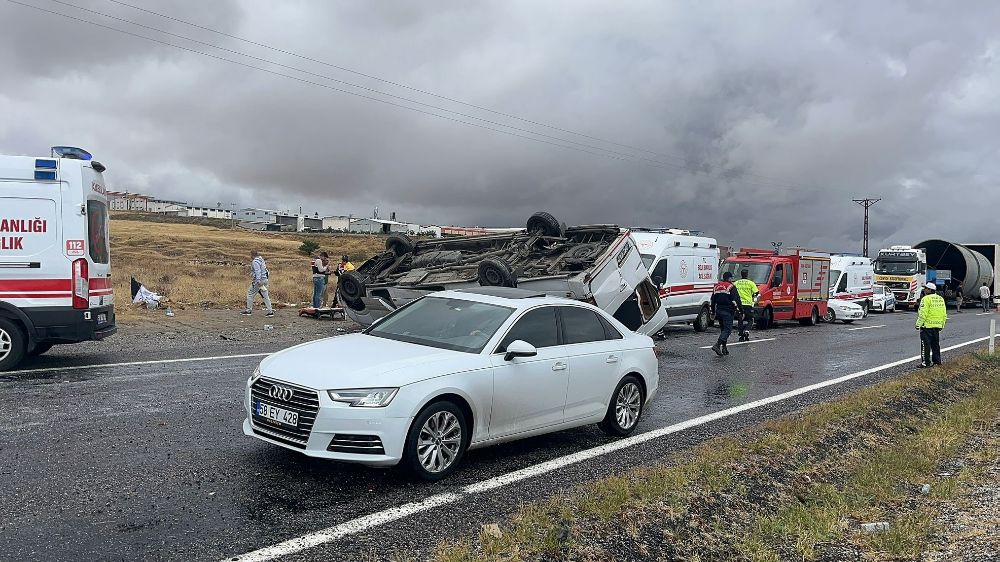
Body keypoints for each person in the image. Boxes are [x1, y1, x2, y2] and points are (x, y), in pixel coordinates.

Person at [710, 271, 743, 357]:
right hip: (728, 311)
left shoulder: (716, 287)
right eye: (731, 278)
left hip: (719, 311)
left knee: (723, 329)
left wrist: (712, 312)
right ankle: (717, 345)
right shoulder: (731, 287)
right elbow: (737, 300)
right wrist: (741, 312)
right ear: (729, 278)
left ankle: (724, 348)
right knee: (727, 330)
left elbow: (712, 301)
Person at [916, 282, 947, 367]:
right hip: (937, 326)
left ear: (930, 290)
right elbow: (944, 313)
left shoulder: (926, 299)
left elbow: (923, 314)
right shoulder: (940, 299)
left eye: (926, 288)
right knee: (935, 345)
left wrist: (918, 324)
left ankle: (926, 363)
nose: (924, 290)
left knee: (925, 345)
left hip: (927, 326)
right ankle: (937, 361)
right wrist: (942, 325)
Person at [243, 250, 274, 317]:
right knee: (265, 296)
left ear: (252, 255)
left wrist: (258, 280)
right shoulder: (261, 260)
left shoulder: (255, 262)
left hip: (259, 281)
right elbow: (266, 270)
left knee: (250, 293)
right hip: (265, 279)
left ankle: (248, 310)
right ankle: (270, 311)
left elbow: (258, 271)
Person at [733, 269, 759, 341]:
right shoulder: (751, 283)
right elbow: (756, 293)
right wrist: (753, 297)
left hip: (739, 304)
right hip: (748, 304)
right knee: (750, 320)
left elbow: (732, 292)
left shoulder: (736, 283)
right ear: (747, 275)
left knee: (740, 319)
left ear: (741, 274)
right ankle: (747, 330)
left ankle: (741, 333)